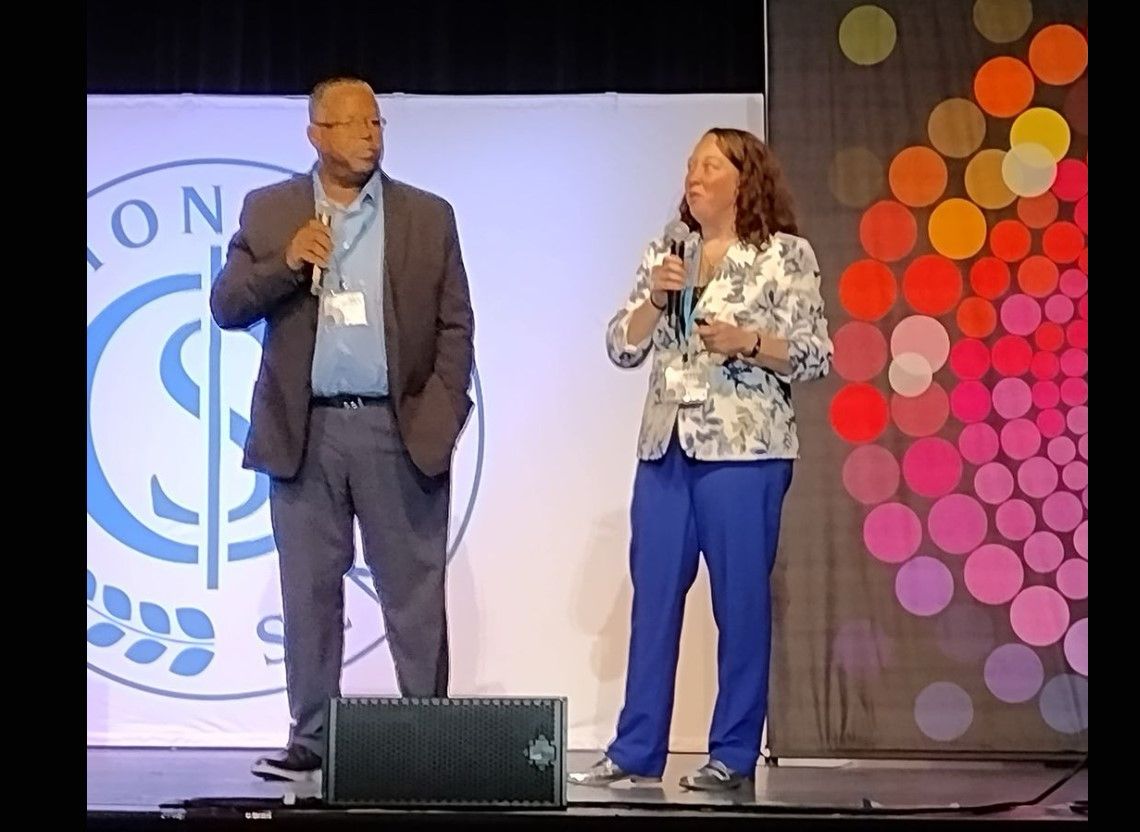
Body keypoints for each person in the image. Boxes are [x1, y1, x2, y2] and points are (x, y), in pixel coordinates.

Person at [210, 76, 475, 782]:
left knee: (413, 594)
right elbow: (226, 305)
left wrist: (442, 417)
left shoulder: (427, 215)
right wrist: (287, 262)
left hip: (398, 427)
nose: (368, 133)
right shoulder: (270, 211)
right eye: (351, 122)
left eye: (376, 122)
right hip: (307, 433)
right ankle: (313, 739)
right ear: (315, 135)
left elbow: (457, 326)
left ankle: (428, 734)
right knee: (309, 592)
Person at [571, 128, 832, 792]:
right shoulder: (668, 252)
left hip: (745, 455)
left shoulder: (782, 255)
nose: (694, 174)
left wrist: (747, 340)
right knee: (653, 601)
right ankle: (636, 749)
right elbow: (621, 346)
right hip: (666, 449)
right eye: (690, 163)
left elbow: (815, 355)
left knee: (740, 605)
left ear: (744, 179)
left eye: (710, 164)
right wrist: (657, 298)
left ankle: (733, 753)